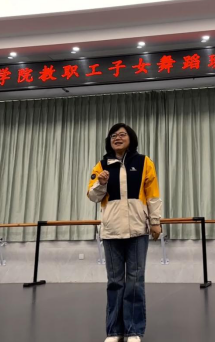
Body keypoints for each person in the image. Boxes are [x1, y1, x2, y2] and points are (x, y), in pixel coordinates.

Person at [87, 123, 163, 342]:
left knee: (135, 281)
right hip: (111, 231)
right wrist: (101, 183)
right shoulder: (102, 165)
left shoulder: (144, 162)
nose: (117, 138)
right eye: (113, 135)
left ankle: (133, 331)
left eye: (122, 134)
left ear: (131, 139)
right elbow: (92, 196)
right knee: (114, 282)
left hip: (138, 230)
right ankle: (114, 331)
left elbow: (152, 194)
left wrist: (155, 221)